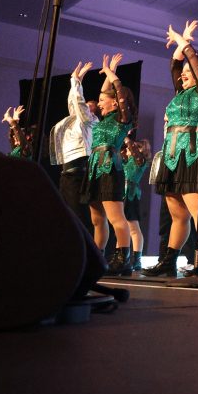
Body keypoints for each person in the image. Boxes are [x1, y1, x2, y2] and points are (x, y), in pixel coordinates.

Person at [142, 21, 198, 278]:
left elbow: (195, 69)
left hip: (195, 152)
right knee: (177, 213)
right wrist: (181, 45)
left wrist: (186, 45)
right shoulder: (180, 94)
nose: (183, 74)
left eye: (189, 71)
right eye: (183, 72)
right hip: (172, 155)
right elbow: (175, 66)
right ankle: (168, 262)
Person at [81, 54, 138, 276]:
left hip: (110, 169)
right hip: (94, 168)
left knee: (116, 217)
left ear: (115, 103)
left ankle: (123, 258)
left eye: (103, 100)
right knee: (97, 219)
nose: (99, 102)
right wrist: (108, 72)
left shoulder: (123, 119)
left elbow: (119, 94)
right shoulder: (104, 120)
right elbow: (106, 93)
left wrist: (114, 77)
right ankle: (98, 257)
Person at [49, 62, 98, 233]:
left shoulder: (90, 121)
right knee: (65, 215)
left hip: (77, 174)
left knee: (77, 215)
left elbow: (79, 102)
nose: (85, 106)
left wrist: (75, 82)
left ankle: (84, 244)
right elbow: (73, 102)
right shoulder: (76, 120)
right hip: (67, 174)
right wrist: (77, 80)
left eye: (90, 107)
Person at [120, 134, 151, 271]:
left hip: (131, 195)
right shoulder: (126, 161)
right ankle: (121, 257)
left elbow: (134, 153)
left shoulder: (140, 161)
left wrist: (128, 141)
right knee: (122, 227)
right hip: (122, 195)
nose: (129, 149)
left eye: (133, 147)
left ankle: (136, 260)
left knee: (133, 228)